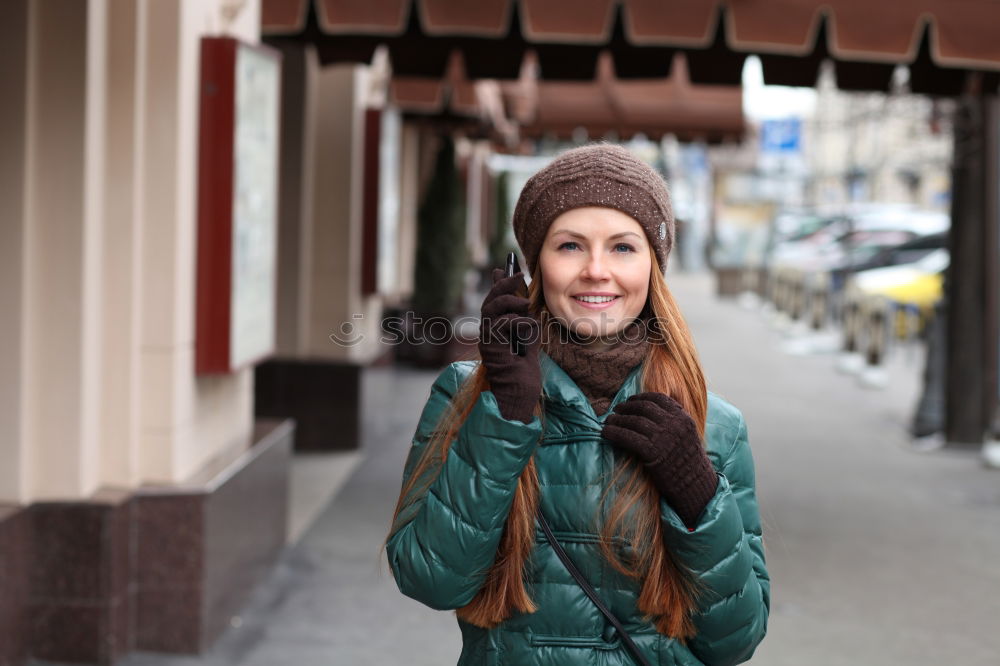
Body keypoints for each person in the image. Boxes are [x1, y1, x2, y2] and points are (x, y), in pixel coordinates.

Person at [386, 144, 769, 665]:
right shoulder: (468, 393)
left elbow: (734, 640)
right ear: (534, 263)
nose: (595, 270)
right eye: (569, 246)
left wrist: (699, 496)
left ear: (653, 267)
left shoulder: (713, 424)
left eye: (622, 248)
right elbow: (429, 579)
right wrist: (505, 414)